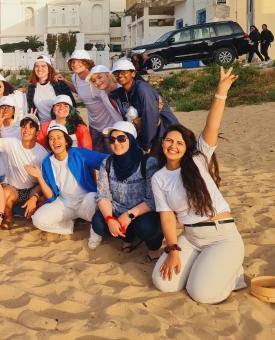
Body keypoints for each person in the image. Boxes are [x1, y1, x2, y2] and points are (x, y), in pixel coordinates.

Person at [151, 67, 246, 304]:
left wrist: (221, 92)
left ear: (187, 146)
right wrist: (173, 249)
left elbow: (212, 126)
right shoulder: (158, 177)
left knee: (202, 294)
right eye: (169, 140)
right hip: (191, 237)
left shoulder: (198, 159)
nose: (173, 145)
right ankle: (206, 267)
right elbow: (167, 217)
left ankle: (233, 272)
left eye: (179, 142)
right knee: (164, 283)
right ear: (162, 144)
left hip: (221, 235)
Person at [25, 124, 107, 248]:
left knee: (93, 197)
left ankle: (95, 231)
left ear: (66, 141)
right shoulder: (47, 162)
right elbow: (51, 195)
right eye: (51, 138)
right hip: (64, 203)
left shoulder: (78, 153)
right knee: (38, 219)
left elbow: (103, 160)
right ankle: (69, 226)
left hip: (85, 202)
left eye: (59, 137)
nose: (55, 141)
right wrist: (40, 177)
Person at [90, 121, 163, 257]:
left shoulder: (147, 162)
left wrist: (130, 215)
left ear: (131, 139)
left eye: (121, 138)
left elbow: (153, 199)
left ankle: (153, 248)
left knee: (148, 228)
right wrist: (109, 219)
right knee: (98, 224)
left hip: (141, 212)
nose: (116, 143)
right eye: (112, 140)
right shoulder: (107, 163)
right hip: (118, 210)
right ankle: (127, 238)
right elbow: (103, 195)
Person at [0, 113, 48, 228]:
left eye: (31, 127)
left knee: (42, 202)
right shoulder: (13, 143)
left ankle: (29, 213)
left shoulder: (42, 153)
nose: (26, 130)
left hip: (32, 189)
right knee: (6, 193)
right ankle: (8, 218)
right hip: (14, 188)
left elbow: (45, 181)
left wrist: (35, 198)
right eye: (23, 126)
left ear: (37, 133)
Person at [110, 59, 178, 153]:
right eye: (116, 73)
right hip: (149, 135)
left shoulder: (143, 90)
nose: (120, 75)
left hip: (165, 132)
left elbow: (150, 117)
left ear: (133, 73)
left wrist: (147, 144)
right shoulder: (122, 93)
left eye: (124, 72)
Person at [26, 55, 76, 123]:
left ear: (49, 69)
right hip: (42, 127)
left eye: (43, 66)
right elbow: (31, 108)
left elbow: (72, 106)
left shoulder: (59, 84)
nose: (39, 69)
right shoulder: (31, 88)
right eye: (36, 66)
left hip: (60, 127)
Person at [86, 65, 123, 153]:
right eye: (94, 81)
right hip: (120, 132)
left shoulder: (123, 89)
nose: (97, 82)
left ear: (108, 75)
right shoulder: (103, 95)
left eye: (100, 77)